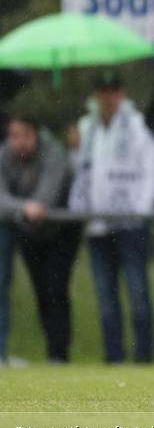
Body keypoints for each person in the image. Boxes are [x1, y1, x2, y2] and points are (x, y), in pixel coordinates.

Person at [68, 70, 154, 364]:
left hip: (130, 225)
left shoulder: (136, 128)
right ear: (97, 96)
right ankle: (114, 358)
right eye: (103, 92)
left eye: (113, 91)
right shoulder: (87, 129)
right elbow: (81, 175)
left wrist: (141, 211)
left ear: (121, 94)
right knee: (106, 299)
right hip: (97, 225)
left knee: (137, 294)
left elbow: (152, 171)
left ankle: (144, 357)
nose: (108, 98)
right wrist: (73, 149)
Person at [0, 116, 79, 365]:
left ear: (35, 135)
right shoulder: (4, 156)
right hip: (29, 231)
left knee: (55, 289)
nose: (18, 142)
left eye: (24, 135)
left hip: (61, 232)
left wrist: (20, 209)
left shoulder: (53, 153)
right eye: (13, 135)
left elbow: (46, 198)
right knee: (41, 293)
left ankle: (59, 353)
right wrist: (23, 208)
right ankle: (52, 351)